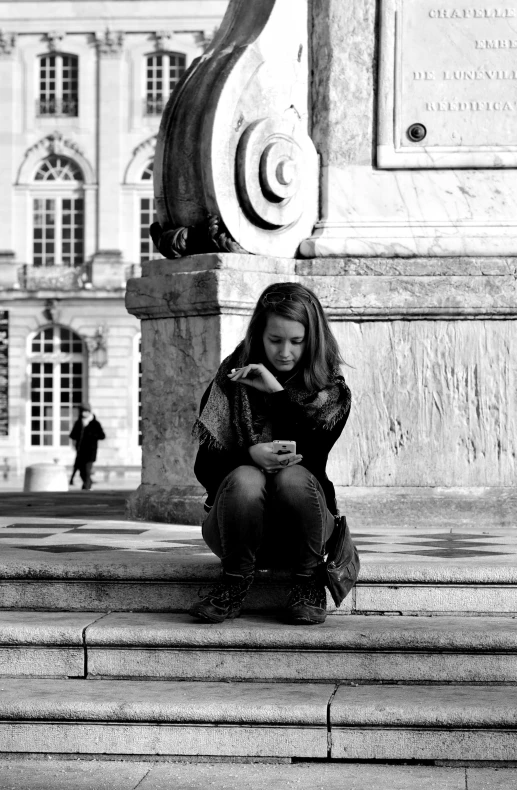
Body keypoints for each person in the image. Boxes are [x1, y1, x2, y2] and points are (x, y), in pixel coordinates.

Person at [190, 282, 352, 626]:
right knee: (246, 478)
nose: (285, 352)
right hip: (234, 527)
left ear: (314, 339)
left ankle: (308, 583)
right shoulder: (229, 380)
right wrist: (249, 455)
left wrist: (277, 394)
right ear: (258, 336)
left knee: (293, 477)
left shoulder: (329, 392)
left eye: (297, 341)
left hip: (304, 532)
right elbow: (204, 467)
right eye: (275, 340)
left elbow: (310, 456)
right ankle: (233, 583)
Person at [69, 404, 106, 490]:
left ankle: (86, 488)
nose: (83, 413)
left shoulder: (95, 423)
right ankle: (88, 484)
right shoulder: (79, 422)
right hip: (80, 451)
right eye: (82, 411)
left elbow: (102, 436)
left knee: (87, 470)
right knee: (81, 472)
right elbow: (72, 435)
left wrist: (92, 434)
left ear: (89, 412)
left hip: (90, 452)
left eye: (85, 411)